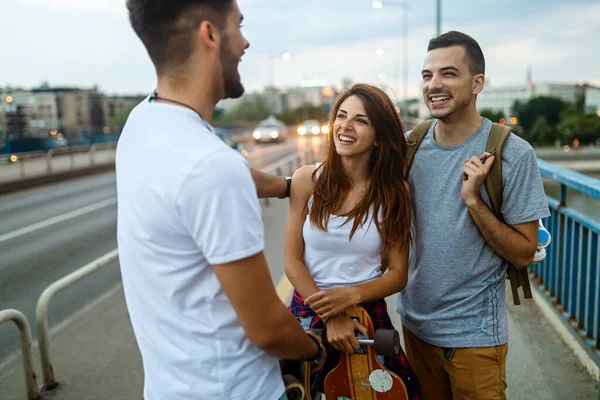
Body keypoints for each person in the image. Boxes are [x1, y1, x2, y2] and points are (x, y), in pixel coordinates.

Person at [117, 1, 324, 399]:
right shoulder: (213, 168)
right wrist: (315, 346)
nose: (245, 43)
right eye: (239, 26)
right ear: (210, 34)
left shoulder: (144, 121)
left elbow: (212, 175)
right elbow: (268, 329)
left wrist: (285, 186)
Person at [397, 31, 550, 399]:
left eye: (448, 74)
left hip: (474, 337)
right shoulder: (410, 146)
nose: (434, 85)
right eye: (427, 75)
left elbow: (524, 252)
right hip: (414, 327)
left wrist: (474, 201)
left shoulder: (512, 153)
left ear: (477, 82)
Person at [284, 84, 421, 399]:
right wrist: (332, 314)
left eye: (360, 120)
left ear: (378, 136)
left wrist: (350, 296)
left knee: (396, 392)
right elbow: (292, 262)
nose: (345, 126)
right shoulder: (307, 180)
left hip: (367, 317)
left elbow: (397, 273)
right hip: (309, 313)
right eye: (341, 116)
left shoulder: (394, 193)